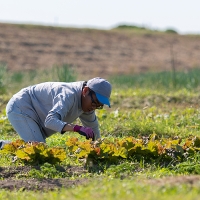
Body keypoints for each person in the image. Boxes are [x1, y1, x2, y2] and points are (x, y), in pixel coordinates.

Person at [5, 77, 112, 143]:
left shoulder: (87, 104)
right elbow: (50, 121)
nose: (94, 107)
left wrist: (99, 148)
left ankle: (2, 145)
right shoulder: (68, 95)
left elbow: (93, 128)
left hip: (37, 114)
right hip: (21, 106)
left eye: (99, 106)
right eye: (94, 102)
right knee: (38, 151)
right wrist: (77, 128)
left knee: (33, 147)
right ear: (85, 91)